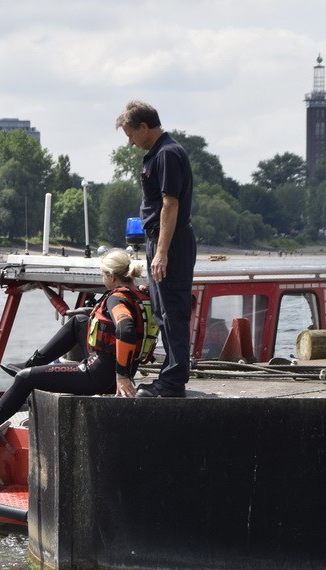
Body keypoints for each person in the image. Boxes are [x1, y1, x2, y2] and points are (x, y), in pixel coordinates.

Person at [0, 248, 146, 448]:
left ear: (111, 276)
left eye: (103, 275)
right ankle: (34, 362)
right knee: (79, 321)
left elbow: (126, 329)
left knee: (25, 377)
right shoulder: (138, 295)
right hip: (109, 366)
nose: (102, 278)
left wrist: (122, 377)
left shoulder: (116, 298)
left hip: (101, 376)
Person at [116, 100, 196, 398]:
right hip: (160, 239)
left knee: (173, 309)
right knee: (162, 310)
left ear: (145, 127)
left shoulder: (167, 154)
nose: (130, 141)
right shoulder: (159, 154)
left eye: (131, 134)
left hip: (170, 241)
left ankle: (173, 381)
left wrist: (162, 252)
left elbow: (170, 203)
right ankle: (171, 374)